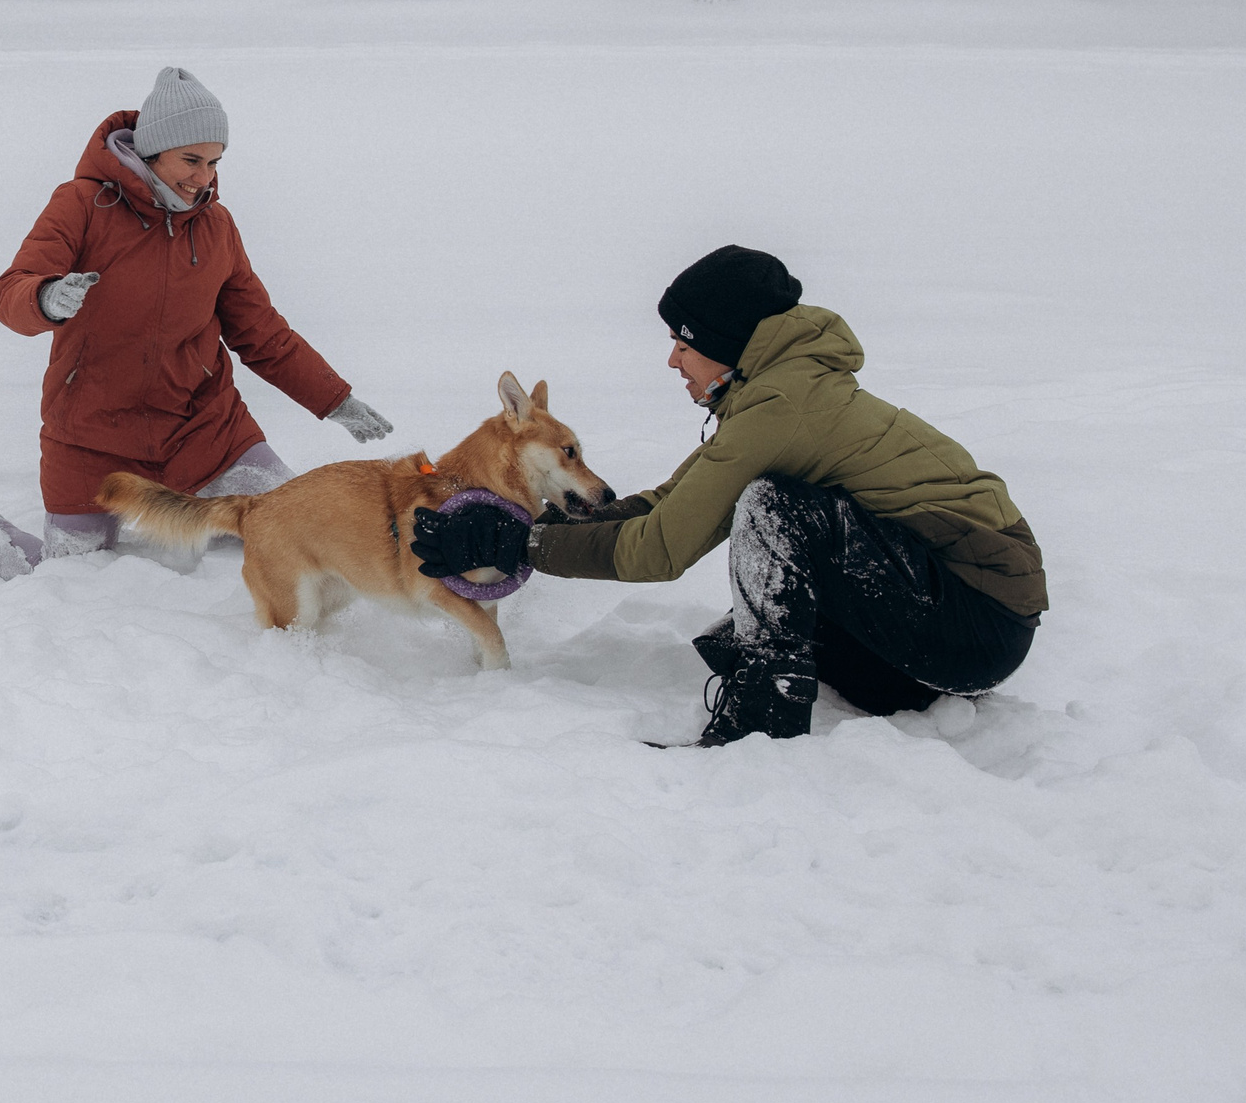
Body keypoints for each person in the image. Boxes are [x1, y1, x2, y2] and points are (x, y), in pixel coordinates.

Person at [411, 246, 1044, 745]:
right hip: (939, 617)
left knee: (775, 507)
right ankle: (878, 686)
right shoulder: (771, 398)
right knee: (736, 628)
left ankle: (763, 724)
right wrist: (530, 529)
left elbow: (658, 550)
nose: (673, 361)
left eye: (683, 344)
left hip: (976, 622)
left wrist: (522, 544)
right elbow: (664, 504)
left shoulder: (783, 407)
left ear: (727, 346)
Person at [0, 67, 394, 579]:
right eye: (191, 160)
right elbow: (11, 291)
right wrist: (45, 297)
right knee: (63, 577)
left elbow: (261, 331)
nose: (204, 178)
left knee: (297, 527)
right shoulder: (82, 205)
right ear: (152, 151)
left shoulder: (217, 227)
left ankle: (195, 508)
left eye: (214, 162)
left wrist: (335, 399)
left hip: (202, 429)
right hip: (91, 435)